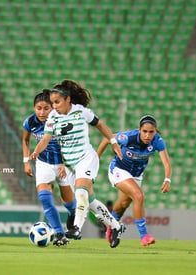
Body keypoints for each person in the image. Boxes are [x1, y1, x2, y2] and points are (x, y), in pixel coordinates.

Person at [29, 79, 125, 248]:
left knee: (81, 193)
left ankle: (76, 228)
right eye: (53, 103)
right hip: (70, 164)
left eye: (57, 102)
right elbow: (46, 138)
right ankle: (116, 227)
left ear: (68, 100)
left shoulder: (81, 112)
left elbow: (100, 124)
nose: (55, 106)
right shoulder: (52, 117)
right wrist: (37, 151)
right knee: (91, 201)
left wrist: (113, 141)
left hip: (86, 159)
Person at [97, 115, 172, 246]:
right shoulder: (128, 137)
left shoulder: (158, 141)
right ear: (139, 130)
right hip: (118, 170)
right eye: (145, 131)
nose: (148, 135)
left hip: (136, 175)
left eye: (151, 132)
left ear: (155, 131)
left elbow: (166, 163)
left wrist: (167, 179)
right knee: (139, 195)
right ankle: (144, 236)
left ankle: (111, 226)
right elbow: (107, 139)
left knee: (123, 204)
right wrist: (96, 160)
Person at [22, 89, 76, 246]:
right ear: (34, 108)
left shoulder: (62, 121)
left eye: (46, 108)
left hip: (62, 165)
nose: (42, 112)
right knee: (44, 197)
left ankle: (72, 214)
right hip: (43, 163)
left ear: (52, 107)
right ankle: (59, 234)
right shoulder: (30, 122)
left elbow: (70, 144)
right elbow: (25, 141)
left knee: (69, 202)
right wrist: (26, 161)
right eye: (38, 108)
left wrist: (65, 164)